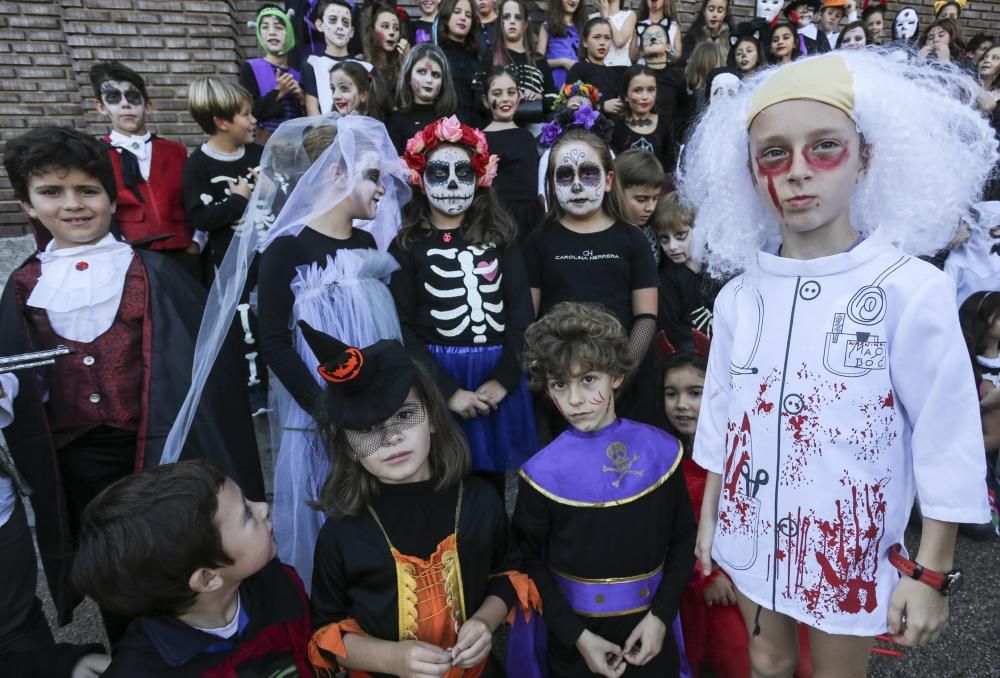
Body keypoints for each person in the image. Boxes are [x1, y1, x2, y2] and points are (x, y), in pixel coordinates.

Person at [678, 51, 995, 676]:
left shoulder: (909, 288)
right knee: (765, 661)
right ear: (748, 172)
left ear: (866, 158)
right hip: (748, 527)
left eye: (824, 147)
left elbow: (946, 437)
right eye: (774, 153)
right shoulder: (739, 295)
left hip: (847, 546)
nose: (798, 172)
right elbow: (721, 416)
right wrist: (710, 517)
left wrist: (930, 570)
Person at [0, 126, 264, 642]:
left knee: (175, 557)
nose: (73, 205)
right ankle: (131, 649)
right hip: (77, 460)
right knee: (112, 564)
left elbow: (207, 374)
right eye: (52, 193)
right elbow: (15, 374)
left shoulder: (154, 272)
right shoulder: (24, 286)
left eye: (87, 190)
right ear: (28, 205)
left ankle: (198, 645)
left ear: (109, 196)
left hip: (159, 450)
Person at [302, 324, 534, 676]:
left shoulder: (479, 503)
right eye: (367, 429)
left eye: (405, 416)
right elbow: (328, 633)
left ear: (433, 419)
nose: (391, 437)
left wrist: (486, 622)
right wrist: (391, 659)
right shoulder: (341, 533)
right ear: (348, 446)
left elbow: (507, 575)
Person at [257, 115, 410, 589]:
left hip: (375, 402)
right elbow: (274, 342)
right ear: (335, 174)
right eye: (371, 176)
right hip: (324, 410)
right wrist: (326, 410)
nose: (381, 190)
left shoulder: (365, 243)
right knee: (336, 501)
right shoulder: (288, 248)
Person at [513, 301, 696, 676]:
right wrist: (578, 637)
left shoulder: (661, 452)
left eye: (588, 380)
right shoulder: (541, 473)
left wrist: (661, 617)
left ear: (615, 376)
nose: (575, 400)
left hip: (651, 632)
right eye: (559, 385)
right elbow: (527, 563)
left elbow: (683, 540)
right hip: (575, 643)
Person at [392, 115, 537, 497]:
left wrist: (505, 379)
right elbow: (401, 326)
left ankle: (496, 553)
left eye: (463, 173)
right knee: (442, 478)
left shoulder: (501, 238)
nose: (454, 185)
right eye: (440, 173)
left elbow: (521, 314)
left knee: (491, 487)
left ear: (480, 178)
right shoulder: (408, 245)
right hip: (436, 376)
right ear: (419, 179)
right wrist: (446, 391)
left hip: (497, 372)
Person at [71, 461, 311, 676]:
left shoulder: (279, 583)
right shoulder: (142, 669)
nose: (262, 507)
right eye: (246, 515)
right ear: (207, 579)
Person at [526, 109, 660, 427]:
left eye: (587, 174)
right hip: (562, 386)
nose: (576, 186)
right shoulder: (538, 241)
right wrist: (557, 380)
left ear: (609, 179)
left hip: (626, 384)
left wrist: (620, 374)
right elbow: (528, 320)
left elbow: (647, 316)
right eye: (564, 175)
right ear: (551, 183)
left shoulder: (632, 240)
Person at [89, 62, 198, 278]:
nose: (125, 105)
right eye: (113, 98)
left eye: (133, 97)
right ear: (100, 106)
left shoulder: (175, 151)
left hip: (183, 254)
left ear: (148, 105)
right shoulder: (96, 155)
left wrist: (197, 243)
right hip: (130, 257)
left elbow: (195, 198)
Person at [482, 66, 544, 241]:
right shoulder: (480, 140)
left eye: (511, 92)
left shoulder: (526, 136)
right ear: (486, 101)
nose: (505, 99)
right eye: (497, 93)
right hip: (496, 218)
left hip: (530, 220)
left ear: (519, 97)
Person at [653, 192, 719, 350]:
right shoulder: (665, 281)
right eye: (664, 238)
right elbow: (674, 332)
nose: (672, 246)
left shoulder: (719, 268)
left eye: (680, 236)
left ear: (699, 230)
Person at [240, 5, 305, 145]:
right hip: (264, 147)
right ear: (258, 33)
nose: (272, 33)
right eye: (265, 27)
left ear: (289, 33)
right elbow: (247, 113)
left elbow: (308, 119)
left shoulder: (299, 74)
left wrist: (301, 99)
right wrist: (279, 92)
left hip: (297, 147)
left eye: (279, 27)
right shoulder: (250, 67)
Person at [484, 0, 556, 118]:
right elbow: (478, 98)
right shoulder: (490, 57)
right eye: (506, 17)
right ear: (500, 22)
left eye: (518, 17)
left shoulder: (538, 60)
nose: (512, 21)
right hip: (501, 126)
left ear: (525, 24)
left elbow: (555, 99)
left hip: (536, 128)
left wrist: (540, 97)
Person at [303, 0, 370, 115]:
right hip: (325, 131)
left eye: (345, 22)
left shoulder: (366, 66)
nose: (339, 27)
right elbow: (312, 110)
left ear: (351, 31)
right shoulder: (313, 63)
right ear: (320, 25)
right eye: (333, 20)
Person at [387, 43, 458, 152]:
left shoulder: (451, 120)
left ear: (443, 82)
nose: (429, 80)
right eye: (422, 72)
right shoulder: (396, 121)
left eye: (435, 75)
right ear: (408, 77)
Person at [436, 0, 483, 125]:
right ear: (446, 16)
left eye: (468, 15)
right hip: (444, 125)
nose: (463, 18)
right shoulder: (435, 53)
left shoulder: (477, 57)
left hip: (475, 128)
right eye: (457, 12)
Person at [614, 148, 665, 265]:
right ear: (617, 191)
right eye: (641, 199)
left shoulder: (655, 225)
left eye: (655, 198)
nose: (650, 208)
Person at [568, 18, 627, 116]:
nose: (602, 42)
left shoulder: (615, 72)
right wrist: (602, 106)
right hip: (588, 128)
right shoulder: (578, 68)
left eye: (607, 38)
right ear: (585, 42)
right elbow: (571, 106)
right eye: (597, 37)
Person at [360, 3, 410, 101]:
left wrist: (407, 64)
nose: (392, 32)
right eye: (385, 26)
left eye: (396, 28)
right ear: (372, 30)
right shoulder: (363, 65)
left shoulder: (402, 64)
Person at [538, 0, 586, 90]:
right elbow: (538, 64)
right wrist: (563, 62)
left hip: (581, 85)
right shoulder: (547, 26)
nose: (573, 0)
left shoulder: (584, 26)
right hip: (556, 85)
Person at [681, 0, 733, 65]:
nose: (714, 14)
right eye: (711, 10)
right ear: (704, 11)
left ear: (725, 14)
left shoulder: (732, 37)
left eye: (720, 11)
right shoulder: (693, 36)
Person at [631, 0, 682, 64]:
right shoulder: (639, 25)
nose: (653, 1)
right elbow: (632, 57)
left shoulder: (673, 26)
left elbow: (677, 55)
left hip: (665, 69)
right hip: (643, 69)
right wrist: (642, 48)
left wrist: (668, 49)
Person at [589, 0, 636, 67]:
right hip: (598, 69)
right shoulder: (591, 18)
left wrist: (606, 17)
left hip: (621, 68)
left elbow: (619, 41)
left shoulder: (629, 15)